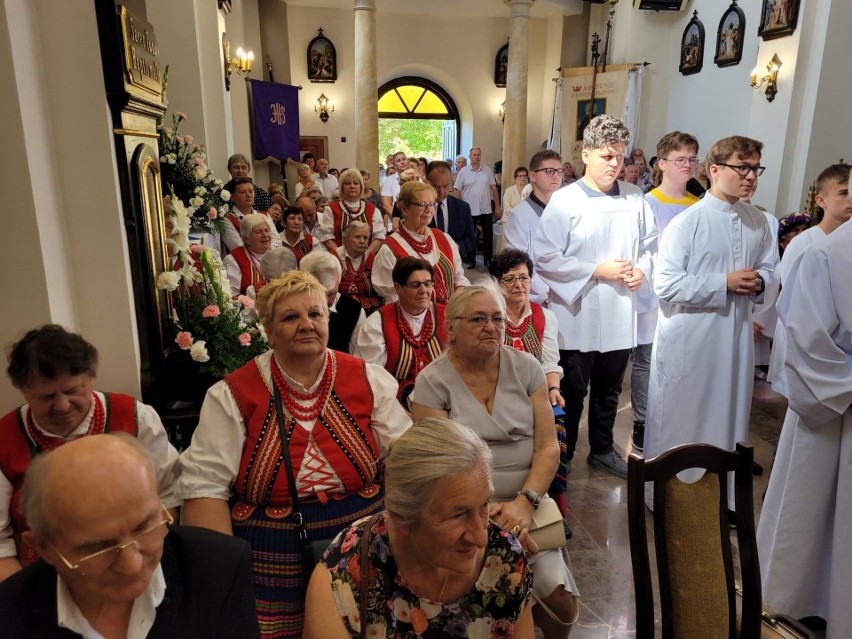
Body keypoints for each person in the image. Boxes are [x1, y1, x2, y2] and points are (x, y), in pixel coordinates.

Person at [178, 270, 411, 637]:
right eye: (291, 317)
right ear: (268, 331)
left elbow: (405, 457)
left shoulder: (367, 378)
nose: (307, 325)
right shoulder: (233, 394)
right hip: (270, 555)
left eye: (315, 314)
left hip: (366, 541)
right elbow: (205, 486)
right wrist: (223, 581)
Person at [410, 286, 579, 637]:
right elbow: (441, 470)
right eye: (478, 319)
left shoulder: (526, 367)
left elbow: (548, 449)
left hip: (529, 505)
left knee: (561, 603)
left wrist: (526, 503)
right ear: (451, 329)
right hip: (463, 514)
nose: (491, 326)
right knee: (492, 607)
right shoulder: (432, 381)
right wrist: (488, 521)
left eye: (497, 318)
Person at [0, 435, 259, 638]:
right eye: (100, 547)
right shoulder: (9, 612)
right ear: (44, 548)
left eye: (144, 528)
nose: (131, 564)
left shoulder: (220, 570)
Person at [303, 417, 534, 638]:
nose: (481, 538)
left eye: (484, 506)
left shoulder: (505, 559)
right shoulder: (343, 577)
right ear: (402, 519)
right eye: (458, 515)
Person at [644, 136, 776, 512]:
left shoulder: (759, 222)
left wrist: (761, 281)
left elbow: (769, 269)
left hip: (733, 339)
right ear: (715, 170)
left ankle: (723, 503)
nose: (751, 177)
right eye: (742, 168)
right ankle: (674, 502)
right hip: (692, 339)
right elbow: (665, 284)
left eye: (755, 169)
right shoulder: (688, 222)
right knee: (686, 417)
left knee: (730, 414)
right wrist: (724, 283)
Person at [0, 325, 181, 581]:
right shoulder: (4, 439)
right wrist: (24, 601)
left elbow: (169, 496)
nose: (62, 405)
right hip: (43, 579)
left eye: (73, 391)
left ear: (91, 378)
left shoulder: (136, 417)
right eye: (45, 396)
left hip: (137, 564)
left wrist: (148, 564)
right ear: (23, 390)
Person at [533, 115, 657, 479]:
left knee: (609, 390)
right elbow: (545, 256)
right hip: (577, 314)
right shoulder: (565, 200)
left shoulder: (635, 198)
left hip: (621, 311)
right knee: (572, 390)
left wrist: (642, 270)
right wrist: (595, 270)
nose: (615, 164)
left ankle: (602, 448)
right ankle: (563, 456)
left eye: (619, 156)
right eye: (606, 156)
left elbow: (651, 246)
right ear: (586, 154)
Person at [757, 217, 852, 639]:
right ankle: (804, 599)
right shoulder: (828, 253)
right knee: (814, 510)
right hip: (837, 412)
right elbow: (807, 340)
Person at [632, 131, 700, 451]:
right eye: (680, 159)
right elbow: (640, 250)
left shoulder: (698, 205)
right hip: (653, 292)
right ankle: (642, 419)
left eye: (692, 159)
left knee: (681, 358)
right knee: (647, 359)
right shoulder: (647, 203)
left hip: (689, 294)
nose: (687, 165)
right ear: (661, 164)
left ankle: (677, 417)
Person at [489, 249, 569, 516]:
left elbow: (549, 363)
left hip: (534, 395)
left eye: (524, 278)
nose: (518, 285)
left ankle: (552, 503)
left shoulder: (545, 316)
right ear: (497, 282)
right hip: (494, 394)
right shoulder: (491, 316)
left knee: (556, 424)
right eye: (509, 279)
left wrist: (554, 389)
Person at [768, 165, 850, 395]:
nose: (850, 199)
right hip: (807, 336)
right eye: (844, 193)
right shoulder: (804, 243)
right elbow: (791, 296)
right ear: (821, 201)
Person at [352, 257, 447, 407]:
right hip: (394, 403)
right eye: (415, 285)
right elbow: (371, 378)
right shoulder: (378, 323)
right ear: (398, 288)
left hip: (444, 397)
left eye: (428, 284)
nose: (424, 291)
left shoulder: (447, 317)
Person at [372, 181, 470, 305]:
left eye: (431, 204)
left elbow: (459, 279)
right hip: (414, 320)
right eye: (422, 204)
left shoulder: (444, 238)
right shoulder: (390, 249)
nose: (429, 210)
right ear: (404, 208)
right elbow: (393, 299)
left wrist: (457, 309)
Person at [503, 150, 565, 305]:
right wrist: (544, 292)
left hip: (566, 290)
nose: (556, 176)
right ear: (533, 176)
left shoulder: (567, 211)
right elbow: (519, 262)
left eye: (559, 171)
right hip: (537, 295)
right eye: (549, 171)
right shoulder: (519, 214)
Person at [301, 251, 367, 354]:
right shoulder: (292, 307)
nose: (325, 301)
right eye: (319, 294)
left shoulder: (353, 311)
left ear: (339, 281)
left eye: (331, 294)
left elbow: (358, 357)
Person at [454, 147, 502, 268]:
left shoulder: (487, 171)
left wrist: (497, 206)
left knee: (488, 235)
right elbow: (457, 190)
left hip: (485, 208)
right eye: (474, 155)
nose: (476, 157)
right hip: (469, 209)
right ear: (470, 156)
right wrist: (459, 208)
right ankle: (471, 260)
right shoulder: (463, 172)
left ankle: (487, 259)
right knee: (470, 235)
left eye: (478, 155)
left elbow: (494, 189)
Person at [320, 168, 385, 255]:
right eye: (347, 183)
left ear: (361, 186)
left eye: (356, 183)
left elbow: (379, 237)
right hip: (339, 260)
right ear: (341, 187)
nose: (352, 186)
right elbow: (327, 237)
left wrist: (366, 256)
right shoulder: (331, 209)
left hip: (366, 260)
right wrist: (341, 256)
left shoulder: (373, 210)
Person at [425, 160, 476, 259]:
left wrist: (457, 247)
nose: (441, 192)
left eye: (445, 186)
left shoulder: (462, 208)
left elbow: (470, 240)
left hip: (454, 261)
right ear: (427, 183)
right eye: (436, 187)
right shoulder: (420, 207)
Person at [222, 177, 282, 253]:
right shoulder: (227, 219)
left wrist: (267, 253)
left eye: (251, 191)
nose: (248, 195)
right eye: (243, 192)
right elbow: (238, 247)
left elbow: (277, 241)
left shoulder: (265, 215)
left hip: (270, 259)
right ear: (233, 197)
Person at [223, 213, 274, 298]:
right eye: (258, 232)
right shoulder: (233, 259)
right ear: (246, 239)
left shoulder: (280, 253)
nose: (265, 235)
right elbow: (232, 295)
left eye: (267, 230)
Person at [336, 221, 382, 314]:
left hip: (370, 309)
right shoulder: (333, 258)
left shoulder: (373, 259)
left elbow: (381, 291)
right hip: (339, 309)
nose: (362, 241)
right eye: (357, 237)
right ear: (345, 240)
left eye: (365, 238)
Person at [381, 151, 409, 217]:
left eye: (404, 159)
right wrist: (398, 219)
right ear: (394, 165)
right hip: (396, 221)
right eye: (398, 161)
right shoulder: (389, 180)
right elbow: (386, 204)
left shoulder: (416, 177)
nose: (402, 162)